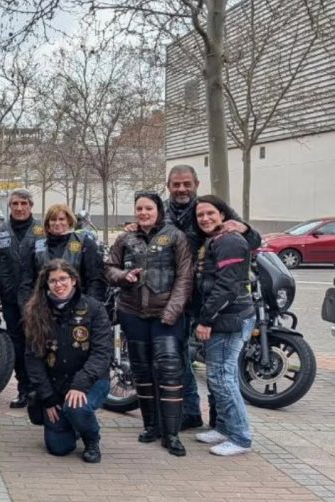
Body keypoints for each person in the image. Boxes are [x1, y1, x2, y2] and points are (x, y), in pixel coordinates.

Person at [163, 164, 261, 430]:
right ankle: (190, 412)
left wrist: (246, 229)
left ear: (196, 183)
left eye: (187, 184)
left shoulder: (210, 209)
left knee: (216, 365)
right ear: (168, 185)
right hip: (176, 296)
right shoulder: (161, 211)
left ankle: (222, 421)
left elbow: (251, 241)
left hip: (211, 298)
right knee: (180, 356)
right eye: (176, 184)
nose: (181, 189)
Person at [105, 191, 193, 456]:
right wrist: (122, 276)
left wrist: (171, 312)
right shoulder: (125, 238)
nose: (143, 213)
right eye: (139, 209)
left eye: (149, 209)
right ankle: (151, 426)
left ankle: (172, 433)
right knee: (141, 372)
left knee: (169, 372)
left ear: (158, 210)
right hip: (132, 314)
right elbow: (108, 267)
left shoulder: (176, 236)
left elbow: (185, 277)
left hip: (166, 316)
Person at [23, 260, 112, 463]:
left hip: (91, 381)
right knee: (59, 448)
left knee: (77, 407)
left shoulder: (94, 309)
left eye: (63, 279)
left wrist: (80, 384)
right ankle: (73, 424)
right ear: (46, 285)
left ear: (73, 280)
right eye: (52, 281)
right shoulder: (36, 312)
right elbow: (33, 359)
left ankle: (91, 439)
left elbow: (101, 353)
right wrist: (47, 397)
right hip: (56, 384)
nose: (58, 284)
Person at [190, 195, 255, 456]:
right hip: (225, 318)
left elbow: (226, 286)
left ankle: (240, 436)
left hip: (230, 318)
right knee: (217, 377)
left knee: (223, 378)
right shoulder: (216, 240)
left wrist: (206, 319)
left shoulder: (230, 241)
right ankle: (224, 428)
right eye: (200, 215)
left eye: (210, 213)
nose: (205, 218)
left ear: (223, 214)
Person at [0, 188, 42, 408]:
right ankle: (24, 389)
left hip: (39, 301)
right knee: (17, 345)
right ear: (9, 206)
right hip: (11, 299)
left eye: (24, 203)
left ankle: (40, 390)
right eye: (15, 204)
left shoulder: (43, 231)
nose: (19, 208)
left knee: (37, 346)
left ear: (31, 206)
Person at [18, 203, 105, 306]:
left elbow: (95, 279)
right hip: (43, 306)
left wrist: (90, 307)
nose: (57, 223)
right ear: (48, 223)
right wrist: (27, 307)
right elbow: (27, 281)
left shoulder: (85, 243)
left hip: (78, 304)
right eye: (53, 219)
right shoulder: (36, 246)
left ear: (69, 220)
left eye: (61, 219)